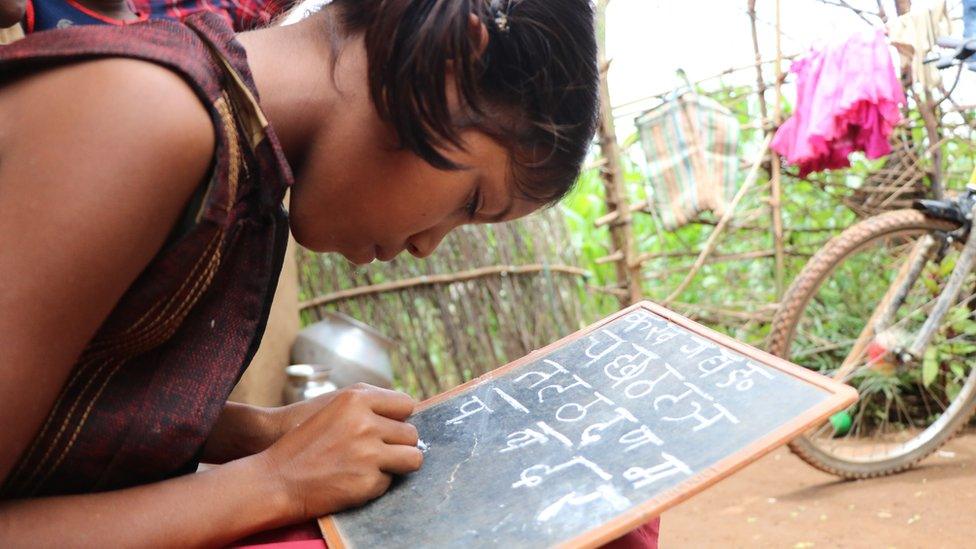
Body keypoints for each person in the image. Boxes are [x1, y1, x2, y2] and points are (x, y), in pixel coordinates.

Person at [0, 0, 660, 545]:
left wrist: (256, 433)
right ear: (450, 67)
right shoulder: (149, 116)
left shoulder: (241, 168)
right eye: (470, 203)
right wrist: (271, 483)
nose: (429, 246)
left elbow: (68, 407)